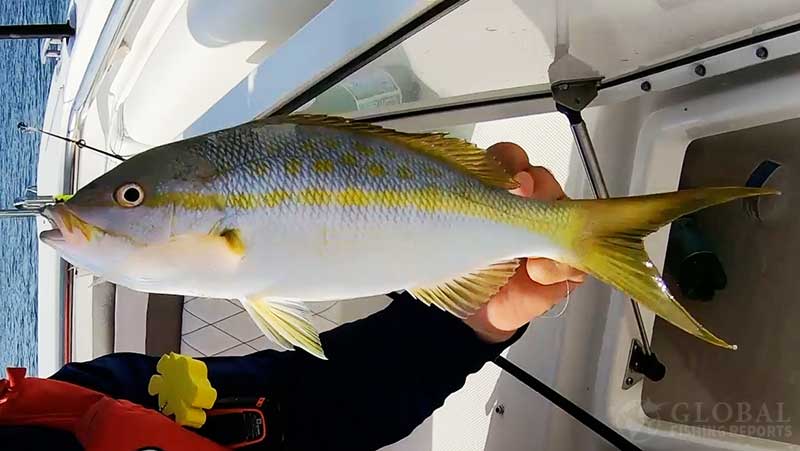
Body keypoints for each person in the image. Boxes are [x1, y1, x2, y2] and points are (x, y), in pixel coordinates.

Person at [0, 143, 585, 451]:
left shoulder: (70, 405)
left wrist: (463, 316)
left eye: (131, 196)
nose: (112, 211)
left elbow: (305, 410)